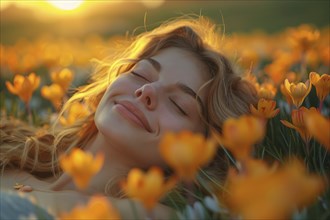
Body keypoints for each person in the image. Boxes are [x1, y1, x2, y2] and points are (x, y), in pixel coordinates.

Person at [0, 16, 257, 219]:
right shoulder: (9, 139)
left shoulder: (145, 214)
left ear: (202, 148)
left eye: (178, 105)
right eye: (142, 74)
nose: (146, 91)